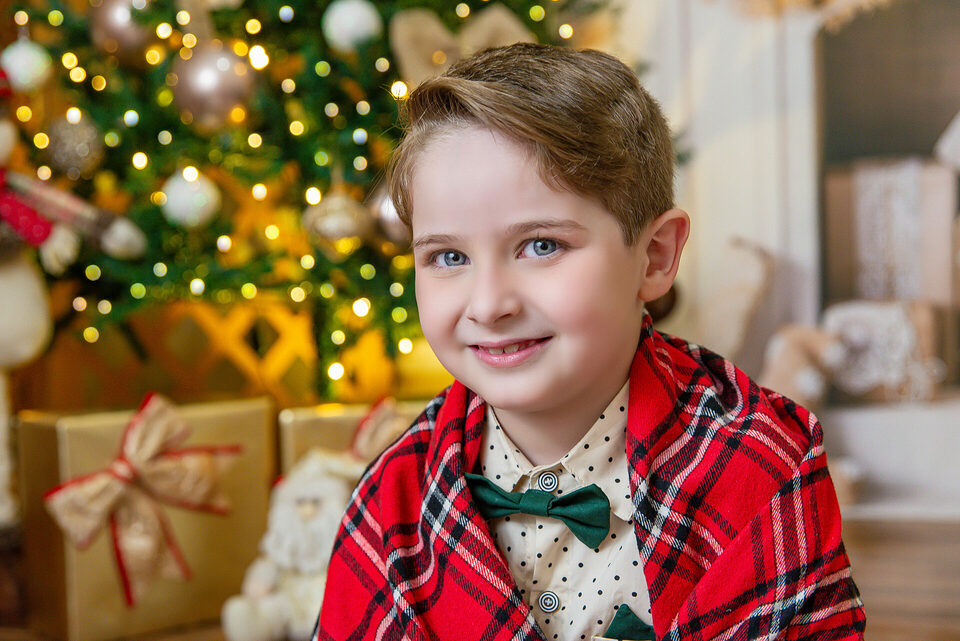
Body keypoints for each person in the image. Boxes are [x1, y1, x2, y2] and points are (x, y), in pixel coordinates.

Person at [314, 43, 865, 641]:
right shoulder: (390, 503)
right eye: (448, 257)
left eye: (541, 245)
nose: (489, 304)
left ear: (654, 257)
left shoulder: (760, 469)